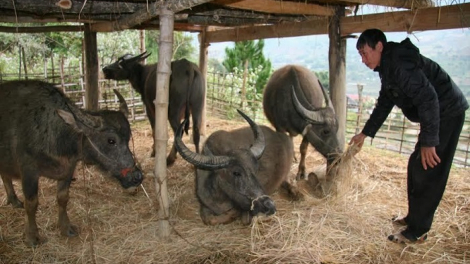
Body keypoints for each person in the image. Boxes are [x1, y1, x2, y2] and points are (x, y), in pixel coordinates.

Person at [350, 28, 468, 244]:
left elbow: (428, 98)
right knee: (416, 164)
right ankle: (414, 218)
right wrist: (365, 134)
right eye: (360, 55)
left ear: (379, 46)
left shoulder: (398, 64)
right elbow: (385, 103)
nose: (363, 60)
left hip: (447, 112)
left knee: (428, 168)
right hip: (436, 114)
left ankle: (418, 231)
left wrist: (429, 141)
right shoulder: (388, 67)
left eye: (365, 53)